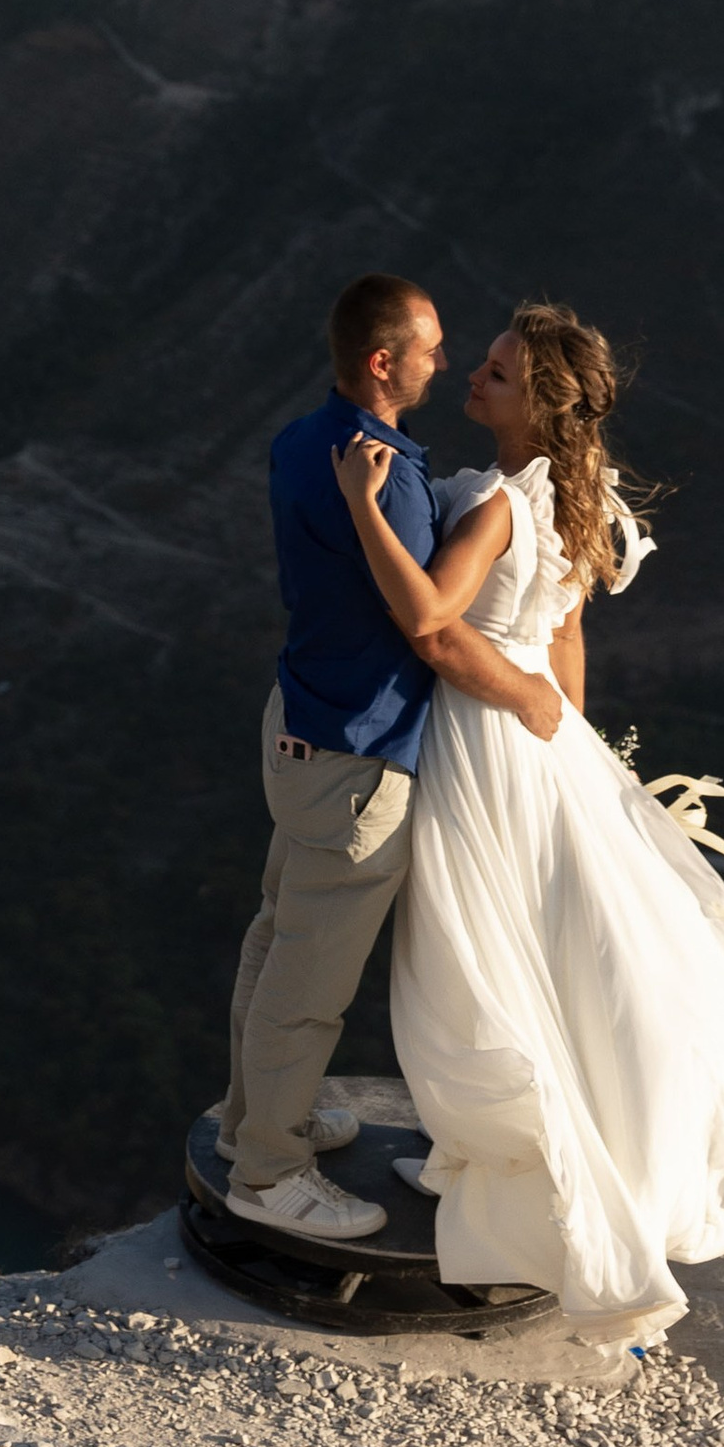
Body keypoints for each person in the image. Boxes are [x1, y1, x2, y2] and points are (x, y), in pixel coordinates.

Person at [333, 299, 724, 1345]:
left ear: (540, 409)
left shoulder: (501, 508)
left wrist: (361, 508)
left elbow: (429, 624)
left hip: (483, 734)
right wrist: (575, 749)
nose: (476, 377)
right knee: (558, 943)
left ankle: (533, 1148)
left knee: (484, 951)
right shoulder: (576, 494)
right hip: (542, 745)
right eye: (483, 362)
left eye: (500, 376)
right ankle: (579, 1134)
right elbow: (563, 641)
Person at [217, 272, 567, 1247]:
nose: (446, 362)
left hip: (297, 722)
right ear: (384, 361)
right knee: (309, 985)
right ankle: (269, 1171)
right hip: (359, 756)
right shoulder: (391, 478)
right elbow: (433, 631)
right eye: (431, 347)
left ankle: (260, 1117)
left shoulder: (301, 439)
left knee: (272, 936)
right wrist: (537, 699)